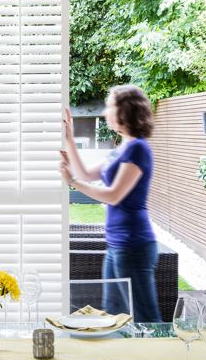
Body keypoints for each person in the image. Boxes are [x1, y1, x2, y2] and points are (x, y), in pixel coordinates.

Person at [59, 85, 161, 323]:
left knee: (145, 318)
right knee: (113, 315)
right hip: (117, 245)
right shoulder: (122, 148)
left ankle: (162, 358)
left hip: (134, 245)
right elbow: (85, 172)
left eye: (109, 106)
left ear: (125, 110)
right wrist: (70, 140)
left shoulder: (138, 148)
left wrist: (72, 181)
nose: (105, 112)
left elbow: (114, 195)